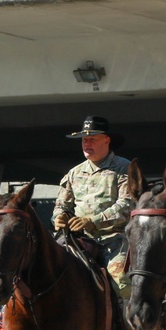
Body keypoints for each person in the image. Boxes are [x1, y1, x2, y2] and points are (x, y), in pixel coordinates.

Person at [52, 115, 135, 300]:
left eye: (92, 139)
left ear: (106, 140)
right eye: (84, 140)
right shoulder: (74, 172)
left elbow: (127, 205)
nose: (86, 144)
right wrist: (59, 217)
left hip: (113, 240)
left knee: (122, 282)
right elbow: (61, 205)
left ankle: (132, 327)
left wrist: (93, 221)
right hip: (77, 240)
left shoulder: (124, 168)